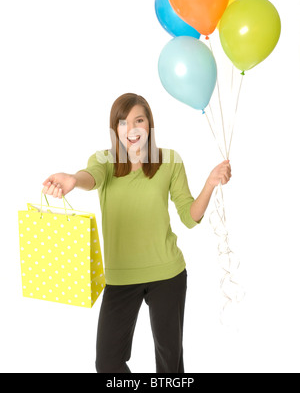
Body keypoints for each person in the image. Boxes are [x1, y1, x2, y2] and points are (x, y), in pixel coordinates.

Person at [42, 93, 231, 373]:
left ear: (149, 124)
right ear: (114, 129)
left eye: (138, 120)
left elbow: (190, 217)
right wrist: (72, 179)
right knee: (108, 364)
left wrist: (210, 183)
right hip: (121, 278)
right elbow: (89, 177)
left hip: (168, 275)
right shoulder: (104, 161)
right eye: (122, 123)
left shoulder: (170, 162)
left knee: (170, 363)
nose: (131, 130)